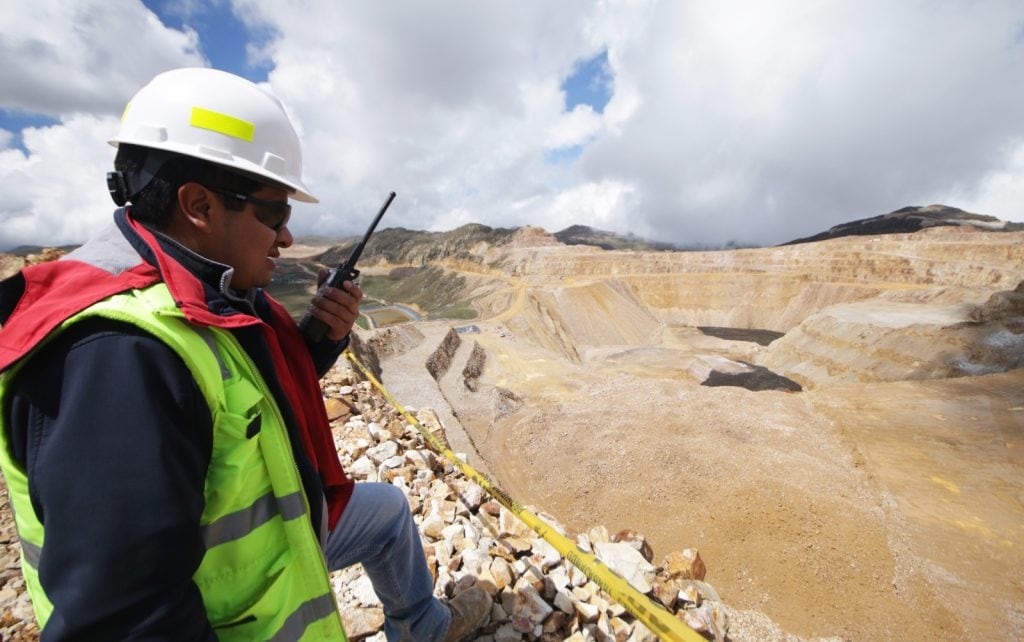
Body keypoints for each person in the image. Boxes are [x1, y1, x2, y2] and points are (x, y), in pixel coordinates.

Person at [0, 67, 490, 641]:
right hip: (238, 607)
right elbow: (124, 619)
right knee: (387, 513)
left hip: (266, 555)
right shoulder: (118, 356)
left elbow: (236, 393)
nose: (285, 237)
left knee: (386, 512)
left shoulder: (201, 287)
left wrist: (315, 343)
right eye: (274, 212)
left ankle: (425, 629)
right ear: (199, 205)